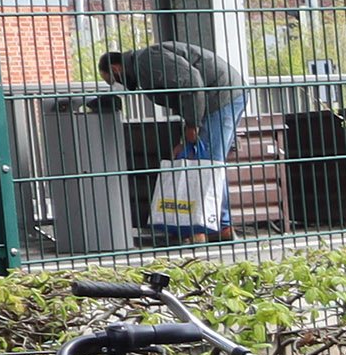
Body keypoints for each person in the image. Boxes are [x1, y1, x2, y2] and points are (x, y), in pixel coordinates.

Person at [101, 41, 245, 243]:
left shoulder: (147, 61)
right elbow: (184, 94)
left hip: (221, 96)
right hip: (219, 95)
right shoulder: (144, 66)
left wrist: (192, 125)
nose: (118, 84)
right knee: (206, 162)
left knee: (208, 163)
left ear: (116, 68)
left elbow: (192, 83)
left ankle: (212, 227)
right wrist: (185, 138)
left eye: (112, 80)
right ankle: (214, 226)